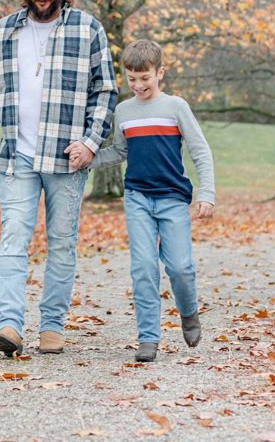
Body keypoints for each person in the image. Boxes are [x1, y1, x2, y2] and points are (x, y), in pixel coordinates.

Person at [0, 0, 118, 358]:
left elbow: (105, 92)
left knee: (61, 242)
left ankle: (52, 325)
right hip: (17, 156)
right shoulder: (3, 33)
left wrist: (91, 143)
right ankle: (9, 324)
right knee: (13, 239)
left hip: (67, 158)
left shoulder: (89, 30)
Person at [89, 39, 215, 362]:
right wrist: (87, 157)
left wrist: (207, 193)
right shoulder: (124, 111)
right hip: (138, 198)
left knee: (180, 267)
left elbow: (200, 151)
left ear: (160, 73)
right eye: (132, 79)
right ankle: (148, 338)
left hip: (173, 198)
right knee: (143, 267)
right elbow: (120, 151)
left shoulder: (176, 107)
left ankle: (188, 313)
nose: (139, 85)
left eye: (145, 78)